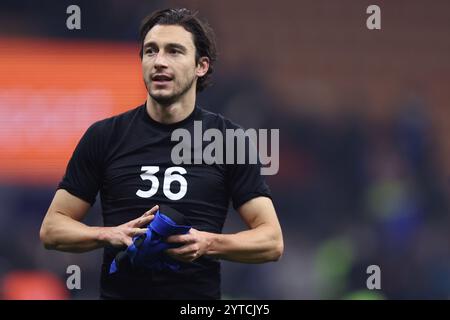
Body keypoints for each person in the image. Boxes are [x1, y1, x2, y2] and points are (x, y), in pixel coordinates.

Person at [39, 8, 283, 299]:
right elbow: (52, 229)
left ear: (201, 66)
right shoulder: (104, 136)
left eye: (174, 51)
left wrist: (208, 243)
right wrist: (109, 234)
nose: (159, 62)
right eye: (151, 51)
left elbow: (272, 241)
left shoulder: (228, 139)